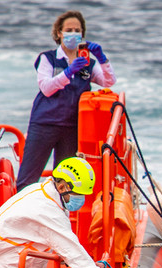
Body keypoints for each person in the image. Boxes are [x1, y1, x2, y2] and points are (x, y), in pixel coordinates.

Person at [0, 156, 118, 268]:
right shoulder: (47, 211)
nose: (80, 200)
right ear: (61, 187)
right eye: (77, 194)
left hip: (6, 266)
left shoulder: (39, 191)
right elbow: (72, 250)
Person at [15, 11, 116, 190]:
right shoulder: (48, 58)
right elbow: (46, 87)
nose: (73, 33)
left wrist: (102, 58)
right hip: (44, 124)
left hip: (72, 127)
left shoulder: (88, 63)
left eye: (77, 30)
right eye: (68, 30)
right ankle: (21, 215)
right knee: (28, 178)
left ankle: (58, 215)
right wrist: (68, 71)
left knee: (64, 181)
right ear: (59, 33)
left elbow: (108, 82)